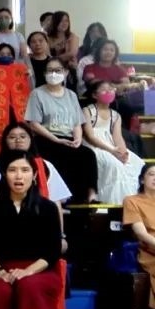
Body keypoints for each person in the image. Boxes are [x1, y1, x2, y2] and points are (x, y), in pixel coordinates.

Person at [0, 150, 64, 309]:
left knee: (28, 285)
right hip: (3, 270)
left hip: (40, 270)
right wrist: (1, 272)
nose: (19, 176)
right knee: (1, 290)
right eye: (12, 170)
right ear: (4, 174)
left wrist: (28, 271)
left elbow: (52, 252)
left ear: (34, 175)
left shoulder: (48, 208)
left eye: (25, 170)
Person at [25, 57, 98, 202]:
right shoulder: (37, 94)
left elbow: (77, 122)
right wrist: (56, 140)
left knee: (87, 154)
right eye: (50, 70)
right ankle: (62, 198)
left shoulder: (71, 95)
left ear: (65, 72)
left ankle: (90, 195)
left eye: (57, 70)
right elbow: (34, 124)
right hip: (46, 138)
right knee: (59, 156)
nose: (53, 74)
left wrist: (77, 140)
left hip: (68, 139)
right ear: (44, 73)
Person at [83, 80, 144, 204]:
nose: (108, 92)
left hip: (112, 146)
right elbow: (90, 136)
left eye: (111, 90)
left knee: (136, 163)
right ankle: (108, 201)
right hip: (95, 146)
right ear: (94, 95)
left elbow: (118, 137)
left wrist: (123, 152)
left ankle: (130, 201)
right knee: (114, 165)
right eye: (104, 90)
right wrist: (111, 150)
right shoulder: (87, 111)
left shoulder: (116, 115)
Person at [124, 163, 155, 309]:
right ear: (142, 179)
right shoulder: (132, 201)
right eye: (152, 174)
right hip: (150, 249)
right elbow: (141, 233)